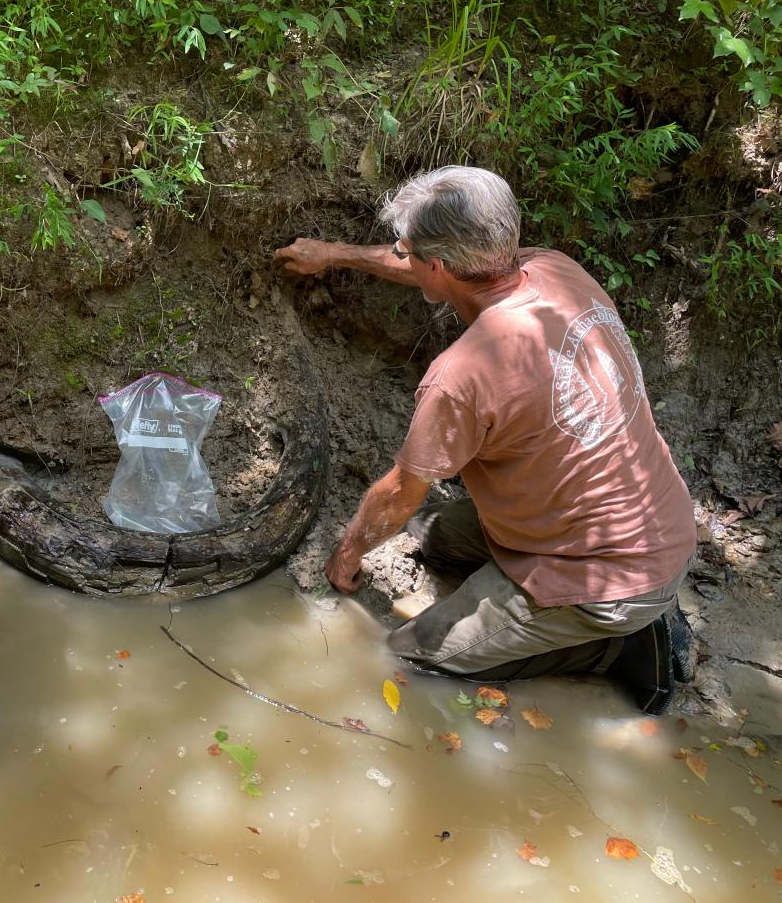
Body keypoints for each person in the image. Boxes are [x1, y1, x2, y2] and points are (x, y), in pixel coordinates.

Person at [275, 166, 696, 714]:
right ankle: (607, 610)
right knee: (434, 537)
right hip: (640, 520)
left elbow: (402, 492)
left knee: (410, 657)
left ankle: (614, 647)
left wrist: (348, 552)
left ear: (438, 266)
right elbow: (436, 266)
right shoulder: (554, 270)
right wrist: (335, 253)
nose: (401, 256)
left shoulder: (462, 376)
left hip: (605, 576)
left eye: (406, 250)